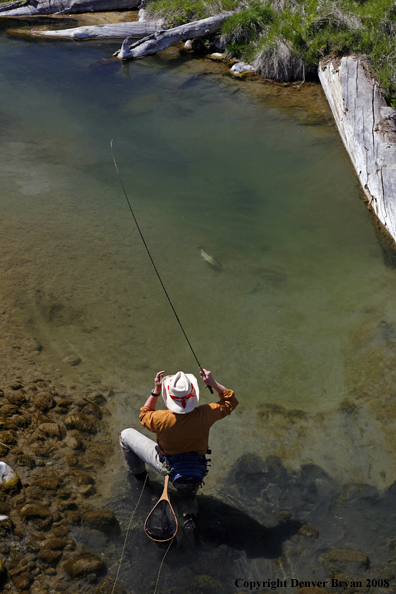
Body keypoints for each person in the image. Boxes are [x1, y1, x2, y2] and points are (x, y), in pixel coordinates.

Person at [119, 368, 238, 528]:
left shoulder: (159, 418)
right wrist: (212, 383)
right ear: (193, 394)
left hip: (168, 466)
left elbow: (144, 414)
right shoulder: (206, 413)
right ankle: (188, 507)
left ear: (169, 396)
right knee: (188, 489)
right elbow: (231, 401)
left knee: (126, 435)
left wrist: (155, 391)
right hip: (196, 469)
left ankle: (140, 479)